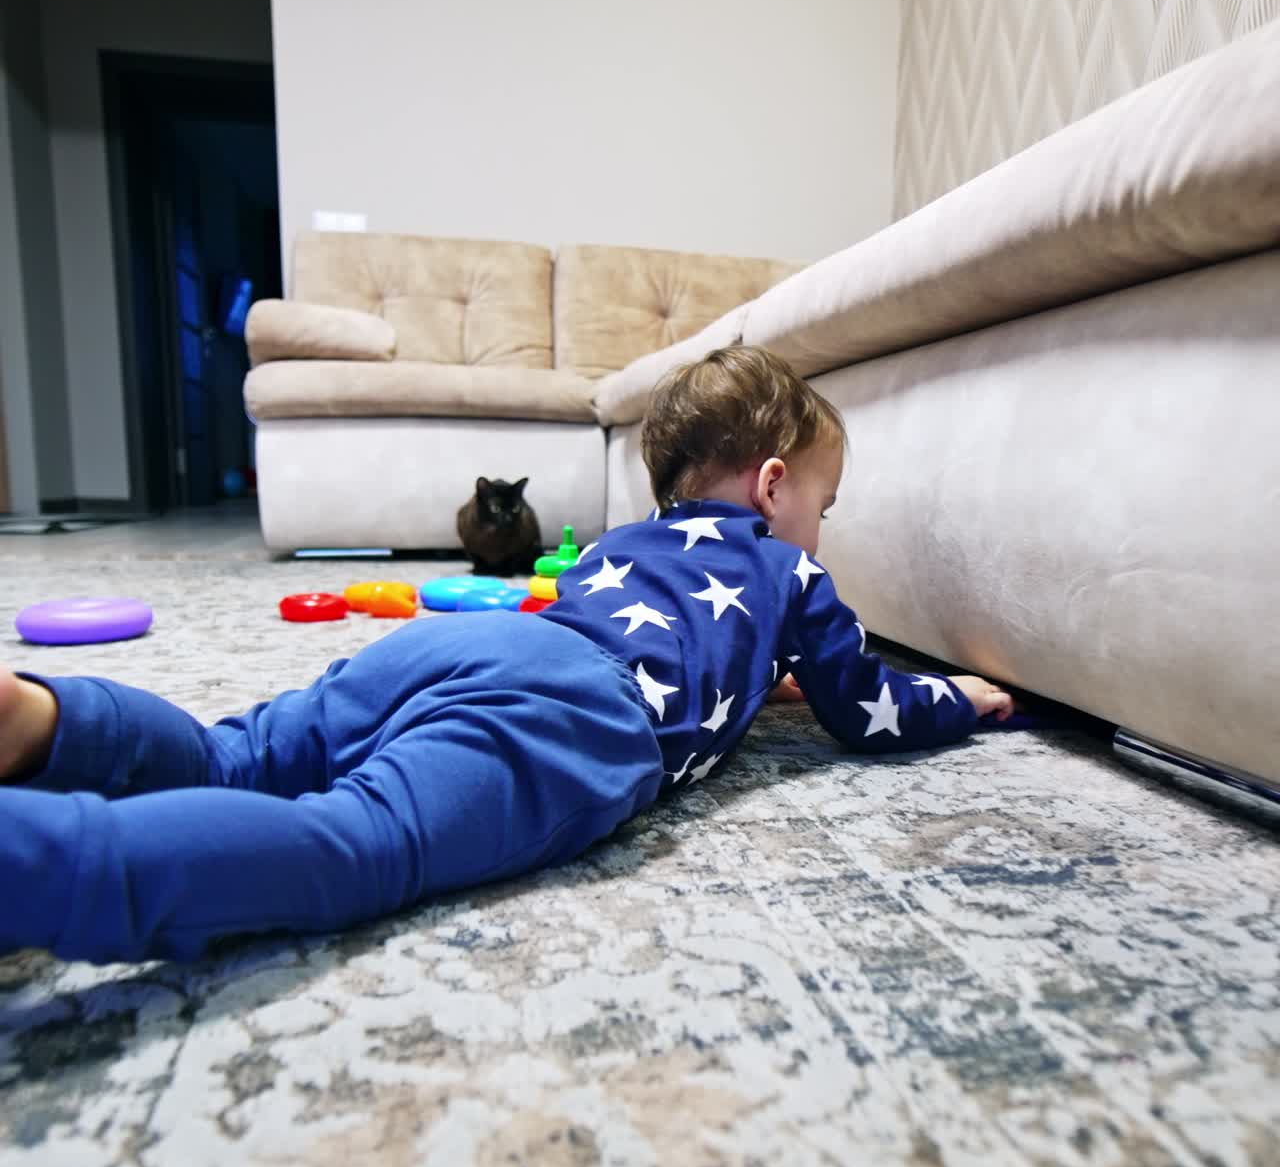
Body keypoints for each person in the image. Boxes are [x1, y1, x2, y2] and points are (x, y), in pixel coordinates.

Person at [0, 346, 1013, 964]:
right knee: (358, 837)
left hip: (479, 642)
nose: (818, 531)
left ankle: (46, 720)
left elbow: (682, 635)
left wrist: (756, 678)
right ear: (773, 485)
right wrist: (954, 696)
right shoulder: (790, 576)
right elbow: (863, 703)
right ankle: (38, 869)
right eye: (821, 508)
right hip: (581, 710)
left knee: (243, 754)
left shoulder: (623, 543)